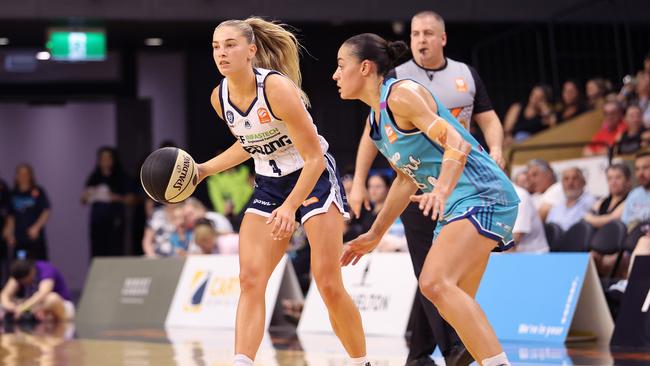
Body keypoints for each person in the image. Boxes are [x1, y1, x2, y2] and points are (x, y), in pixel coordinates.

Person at [334, 33, 520, 366]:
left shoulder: (402, 95)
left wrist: (442, 190)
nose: (334, 75)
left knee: (433, 282)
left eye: (340, 65)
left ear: (364, 68)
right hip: (460, 200)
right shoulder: (376, 119)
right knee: (454, 307)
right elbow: (405, 179)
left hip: (482, 193)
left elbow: (457, 145)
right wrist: (375, 234)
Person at [197, 17, 369, 366]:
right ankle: (242, 362)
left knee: (328, 283)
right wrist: (204, 169)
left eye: (230, 44)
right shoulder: (220, 97)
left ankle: (361, 361)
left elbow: (314, 158)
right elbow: (249, 143)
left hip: (313, 176)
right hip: (269, 184)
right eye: (216, 46)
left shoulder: (276, 88)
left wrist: (291, 207)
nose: (222, 53)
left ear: (251, 50)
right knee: (250, 278)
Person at [81, 147, 130, 257]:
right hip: (97, 221)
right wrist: (90, 195)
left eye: (108, 158)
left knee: (115, 251)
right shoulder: (94, 177)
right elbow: (83, 200)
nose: (105, 161)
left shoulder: (121, 177)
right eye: (102, 158)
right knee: (97, 252)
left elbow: (132, 199)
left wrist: (114, 197)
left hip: (115, 221)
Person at [2, 164, 51, 260]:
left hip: (35, 238)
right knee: (21, 267)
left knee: (41, 266)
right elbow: (10, 217)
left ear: (30, 176)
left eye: (26, 174)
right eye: (20, 174)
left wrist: (36, 227)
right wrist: (9, 233)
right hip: (19, 240)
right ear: (16, 176)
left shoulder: (38, 191)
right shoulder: (12, 194)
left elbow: (46, 211)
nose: (23, 177)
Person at [0, 259, 74, 322]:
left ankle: (63, 324)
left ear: (32, 271)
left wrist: (22, 308)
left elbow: (43, 294)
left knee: (51, 299)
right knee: (3, 305)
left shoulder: (46, 269)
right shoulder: (19, 274)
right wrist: (10, 307)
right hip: (32, 306)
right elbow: (5, 294)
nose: (25, 284)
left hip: (59, 305)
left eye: (26, 281)